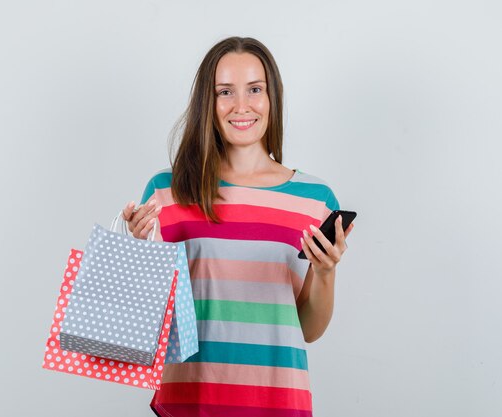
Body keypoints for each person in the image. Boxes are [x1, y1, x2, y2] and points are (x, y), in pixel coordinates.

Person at [122, 36, 354, 417]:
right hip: (186, 402)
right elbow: (145, 324)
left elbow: (308, 330)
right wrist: (136, 251)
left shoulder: (316, 199)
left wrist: (326, 272)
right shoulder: (167, 190)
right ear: (207, 103)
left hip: (278, 402)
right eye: (225, 91)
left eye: (255, 89)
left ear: (272, 97)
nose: (241, 106)